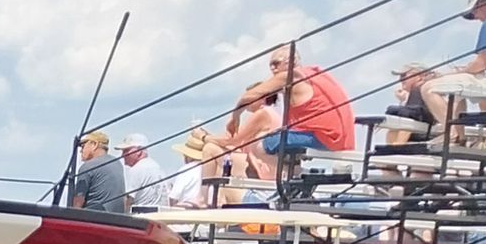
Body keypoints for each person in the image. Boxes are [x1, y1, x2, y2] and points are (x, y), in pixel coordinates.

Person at [401, 0, 486, 144]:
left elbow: (481, 64)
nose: (476, 18)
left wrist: (459, 71)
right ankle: (459, 135)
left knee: (428, 88)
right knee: (458, 91)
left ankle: (454, 134)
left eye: (475, 12)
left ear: (481, 3)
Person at [214, 45, 355, 180]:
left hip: (324, 137)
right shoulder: (314, 73)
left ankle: (296, 175)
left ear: (291, 61)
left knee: (259, 145)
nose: (272, 69)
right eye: (270, 65)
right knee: (281, 139)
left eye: (276, 63)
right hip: (340, 138)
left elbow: (249, 96)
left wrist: (235, 117)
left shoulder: (290, 76)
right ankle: (295, 175)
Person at [119, 133, 199, 208]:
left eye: (126, 151)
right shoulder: (156, 167)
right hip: (157, 216)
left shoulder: (136, 170)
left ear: (139, 151)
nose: (122, 155)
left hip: (139, 217)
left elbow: (127, 201)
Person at [71, 132, 129, 212]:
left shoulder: (87, 167)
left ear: (94, 144)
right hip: (116, 217)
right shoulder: (117, 163)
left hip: (94, 217)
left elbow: (78, 204)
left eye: (83, 147)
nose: (81, 151)